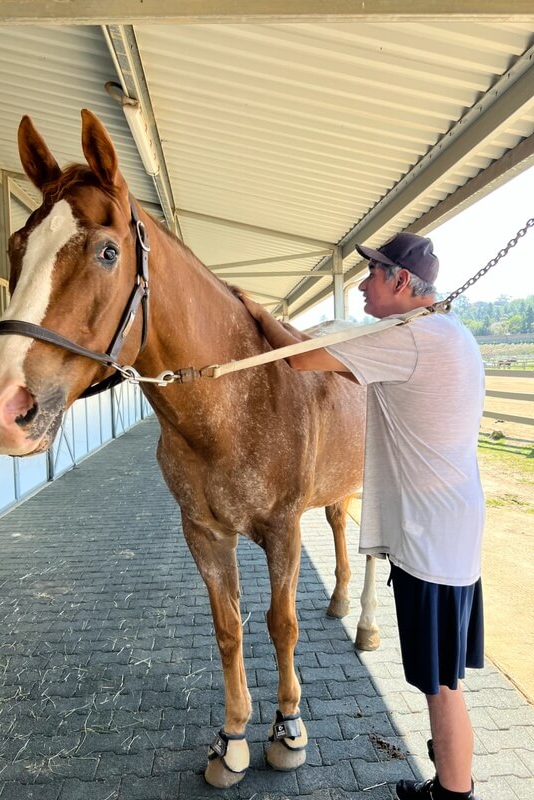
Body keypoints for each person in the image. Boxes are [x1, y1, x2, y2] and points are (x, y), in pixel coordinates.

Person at [241, 232, 484, 800]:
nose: (362, 285)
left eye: (373, 275)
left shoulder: (411, 339)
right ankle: (449, 783)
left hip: (431, 539)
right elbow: (350, 372)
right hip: (450, 529)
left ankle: (453, 795)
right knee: (443, 681)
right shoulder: (447, 335)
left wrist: (254, 310)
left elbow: (299, 357)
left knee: (440, 686)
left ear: (402, 282)